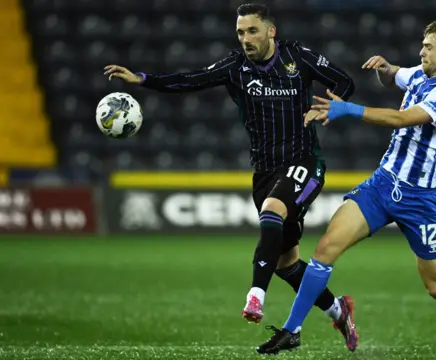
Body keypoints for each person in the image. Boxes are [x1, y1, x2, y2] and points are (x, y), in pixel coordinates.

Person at [256, 12, 436, 360]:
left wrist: (348, 110)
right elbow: (397, 78)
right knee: (325, 249)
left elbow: (401, 118)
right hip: (382, 185)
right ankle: (291, 331)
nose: (421, 52)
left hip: (418, 199)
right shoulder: (421, 73)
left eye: (429, 47)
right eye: (422, 45)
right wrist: (386, 70)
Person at [104, 3, 359, 347]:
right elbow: (190, 80)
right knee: (286, 264)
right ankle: (339, 312)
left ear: (271, 31)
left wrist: (326, 106)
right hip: (265, 171)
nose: (245, 39)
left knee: (272, 211)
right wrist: (143, 79)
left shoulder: (297, 57)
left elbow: (345, 81)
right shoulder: (235, 67)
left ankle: (256, 295)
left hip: (304, 162)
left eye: (252, 31)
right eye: (240, 32)